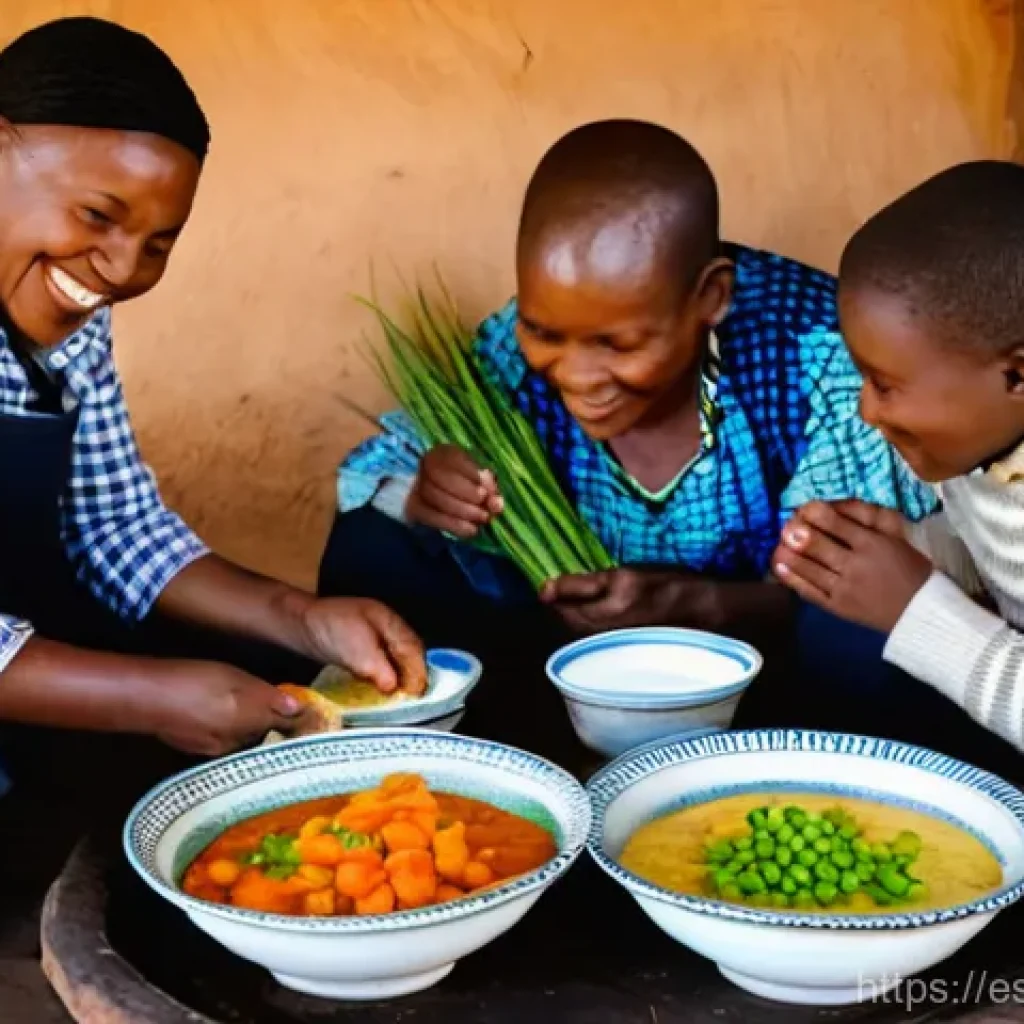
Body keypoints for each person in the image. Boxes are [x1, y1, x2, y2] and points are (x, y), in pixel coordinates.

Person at [322, 120, 935, 740]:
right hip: (564, 672)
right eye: (545, 334)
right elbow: (377, 470)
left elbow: (857, 578)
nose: (577, 375)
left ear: (711, 297)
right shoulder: (520, 342)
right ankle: (499, 760)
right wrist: (426, 497)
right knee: (373, 548)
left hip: (769, 681)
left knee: (859, 636)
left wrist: (702, 608)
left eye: (618, 344)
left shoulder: (814, 352)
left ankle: (808, 776)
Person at [0, 17, 426, 807]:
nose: (121, 269)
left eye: (158, 243)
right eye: (98, 215)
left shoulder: (70, 323)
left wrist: (304, 620)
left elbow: (115, 527)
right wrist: (151, 696)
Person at [773, 160, 1024, 778]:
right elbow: (1006, 559)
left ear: (1017, 374)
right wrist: (914, 546)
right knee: (838, 636)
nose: (866, 410)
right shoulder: (974, 448)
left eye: (884, 384)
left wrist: (917, 609)